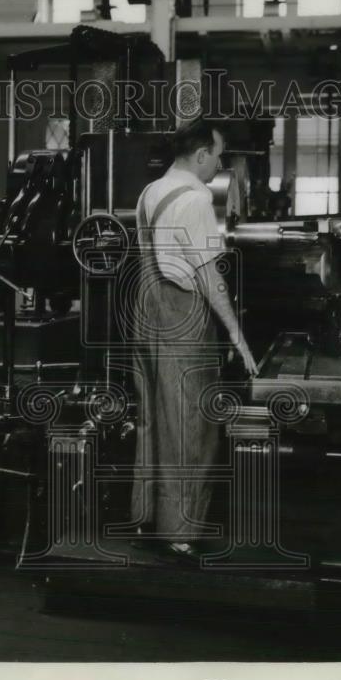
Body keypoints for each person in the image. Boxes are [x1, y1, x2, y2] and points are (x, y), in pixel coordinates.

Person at [128, 117, 258, 560]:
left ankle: (148, 514)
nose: (219, 164)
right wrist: (237, 334)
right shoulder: (197, 199)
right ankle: (179, 532)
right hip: (182, 317)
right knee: (192, 424)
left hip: (147, 315)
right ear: (200, 154)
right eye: (218, 155)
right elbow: (208, 275)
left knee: (154, 418)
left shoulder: (151, 191)